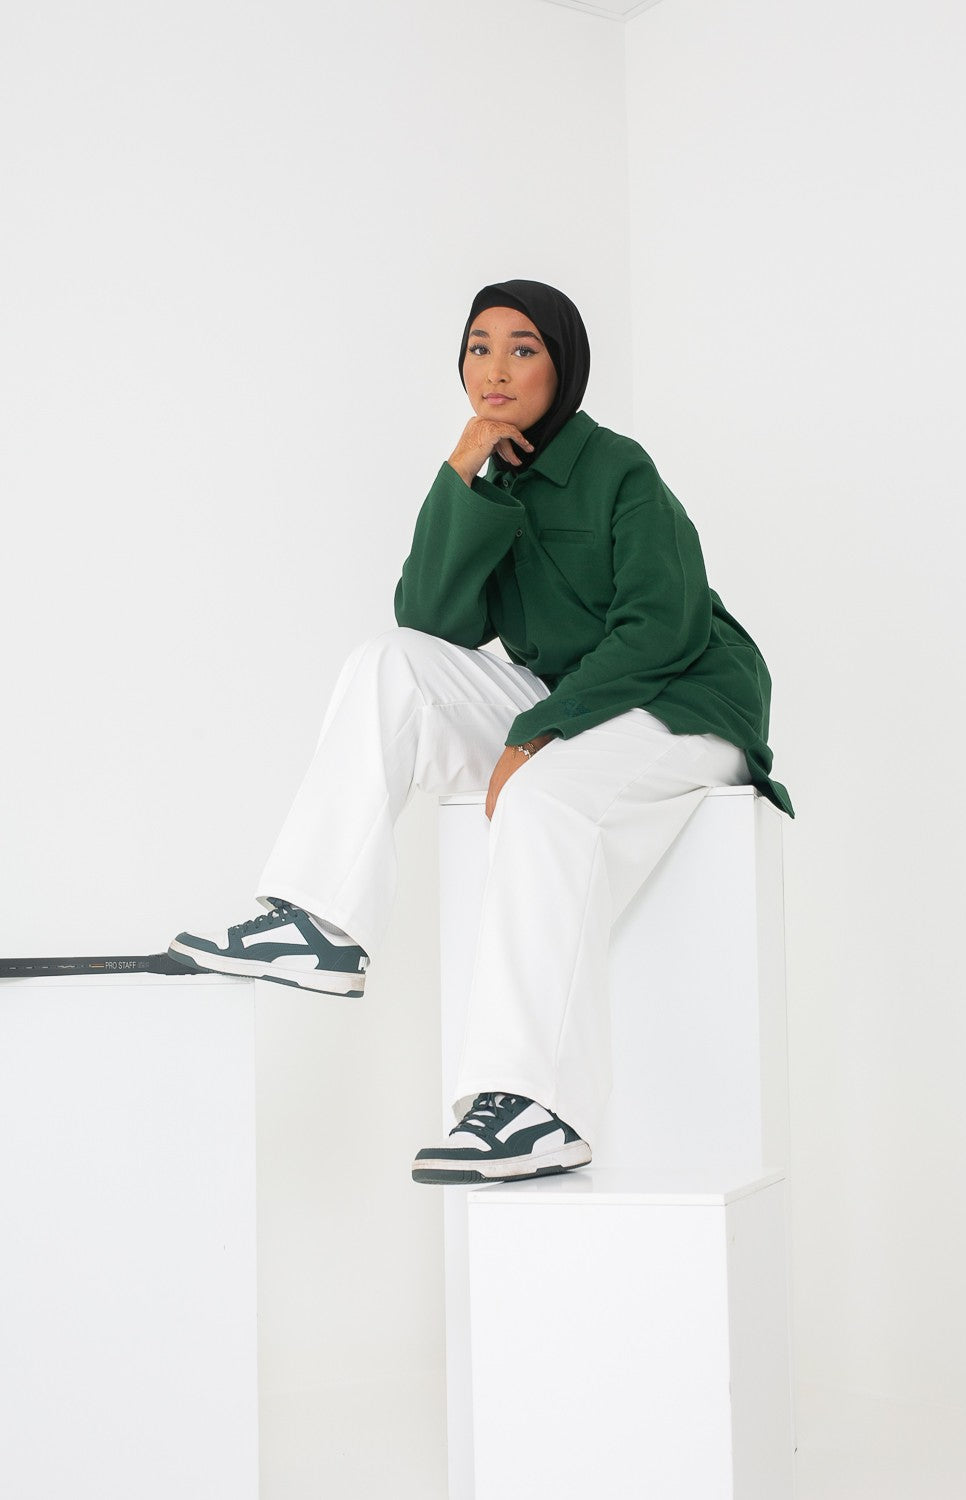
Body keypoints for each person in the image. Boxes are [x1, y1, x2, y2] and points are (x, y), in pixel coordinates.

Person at [170, 279, 793, 1186]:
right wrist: (459, 476)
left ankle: (536, 1107)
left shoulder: (619, 469)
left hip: (686, 701)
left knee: (542, 803)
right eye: (478, 346)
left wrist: (536, 733)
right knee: (389, 664)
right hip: (576, 698)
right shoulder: (492, 478)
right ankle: (317, 921)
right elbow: (429, 622)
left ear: (563, 365)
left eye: (522, 348)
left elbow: (664, 627)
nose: (494, 368)